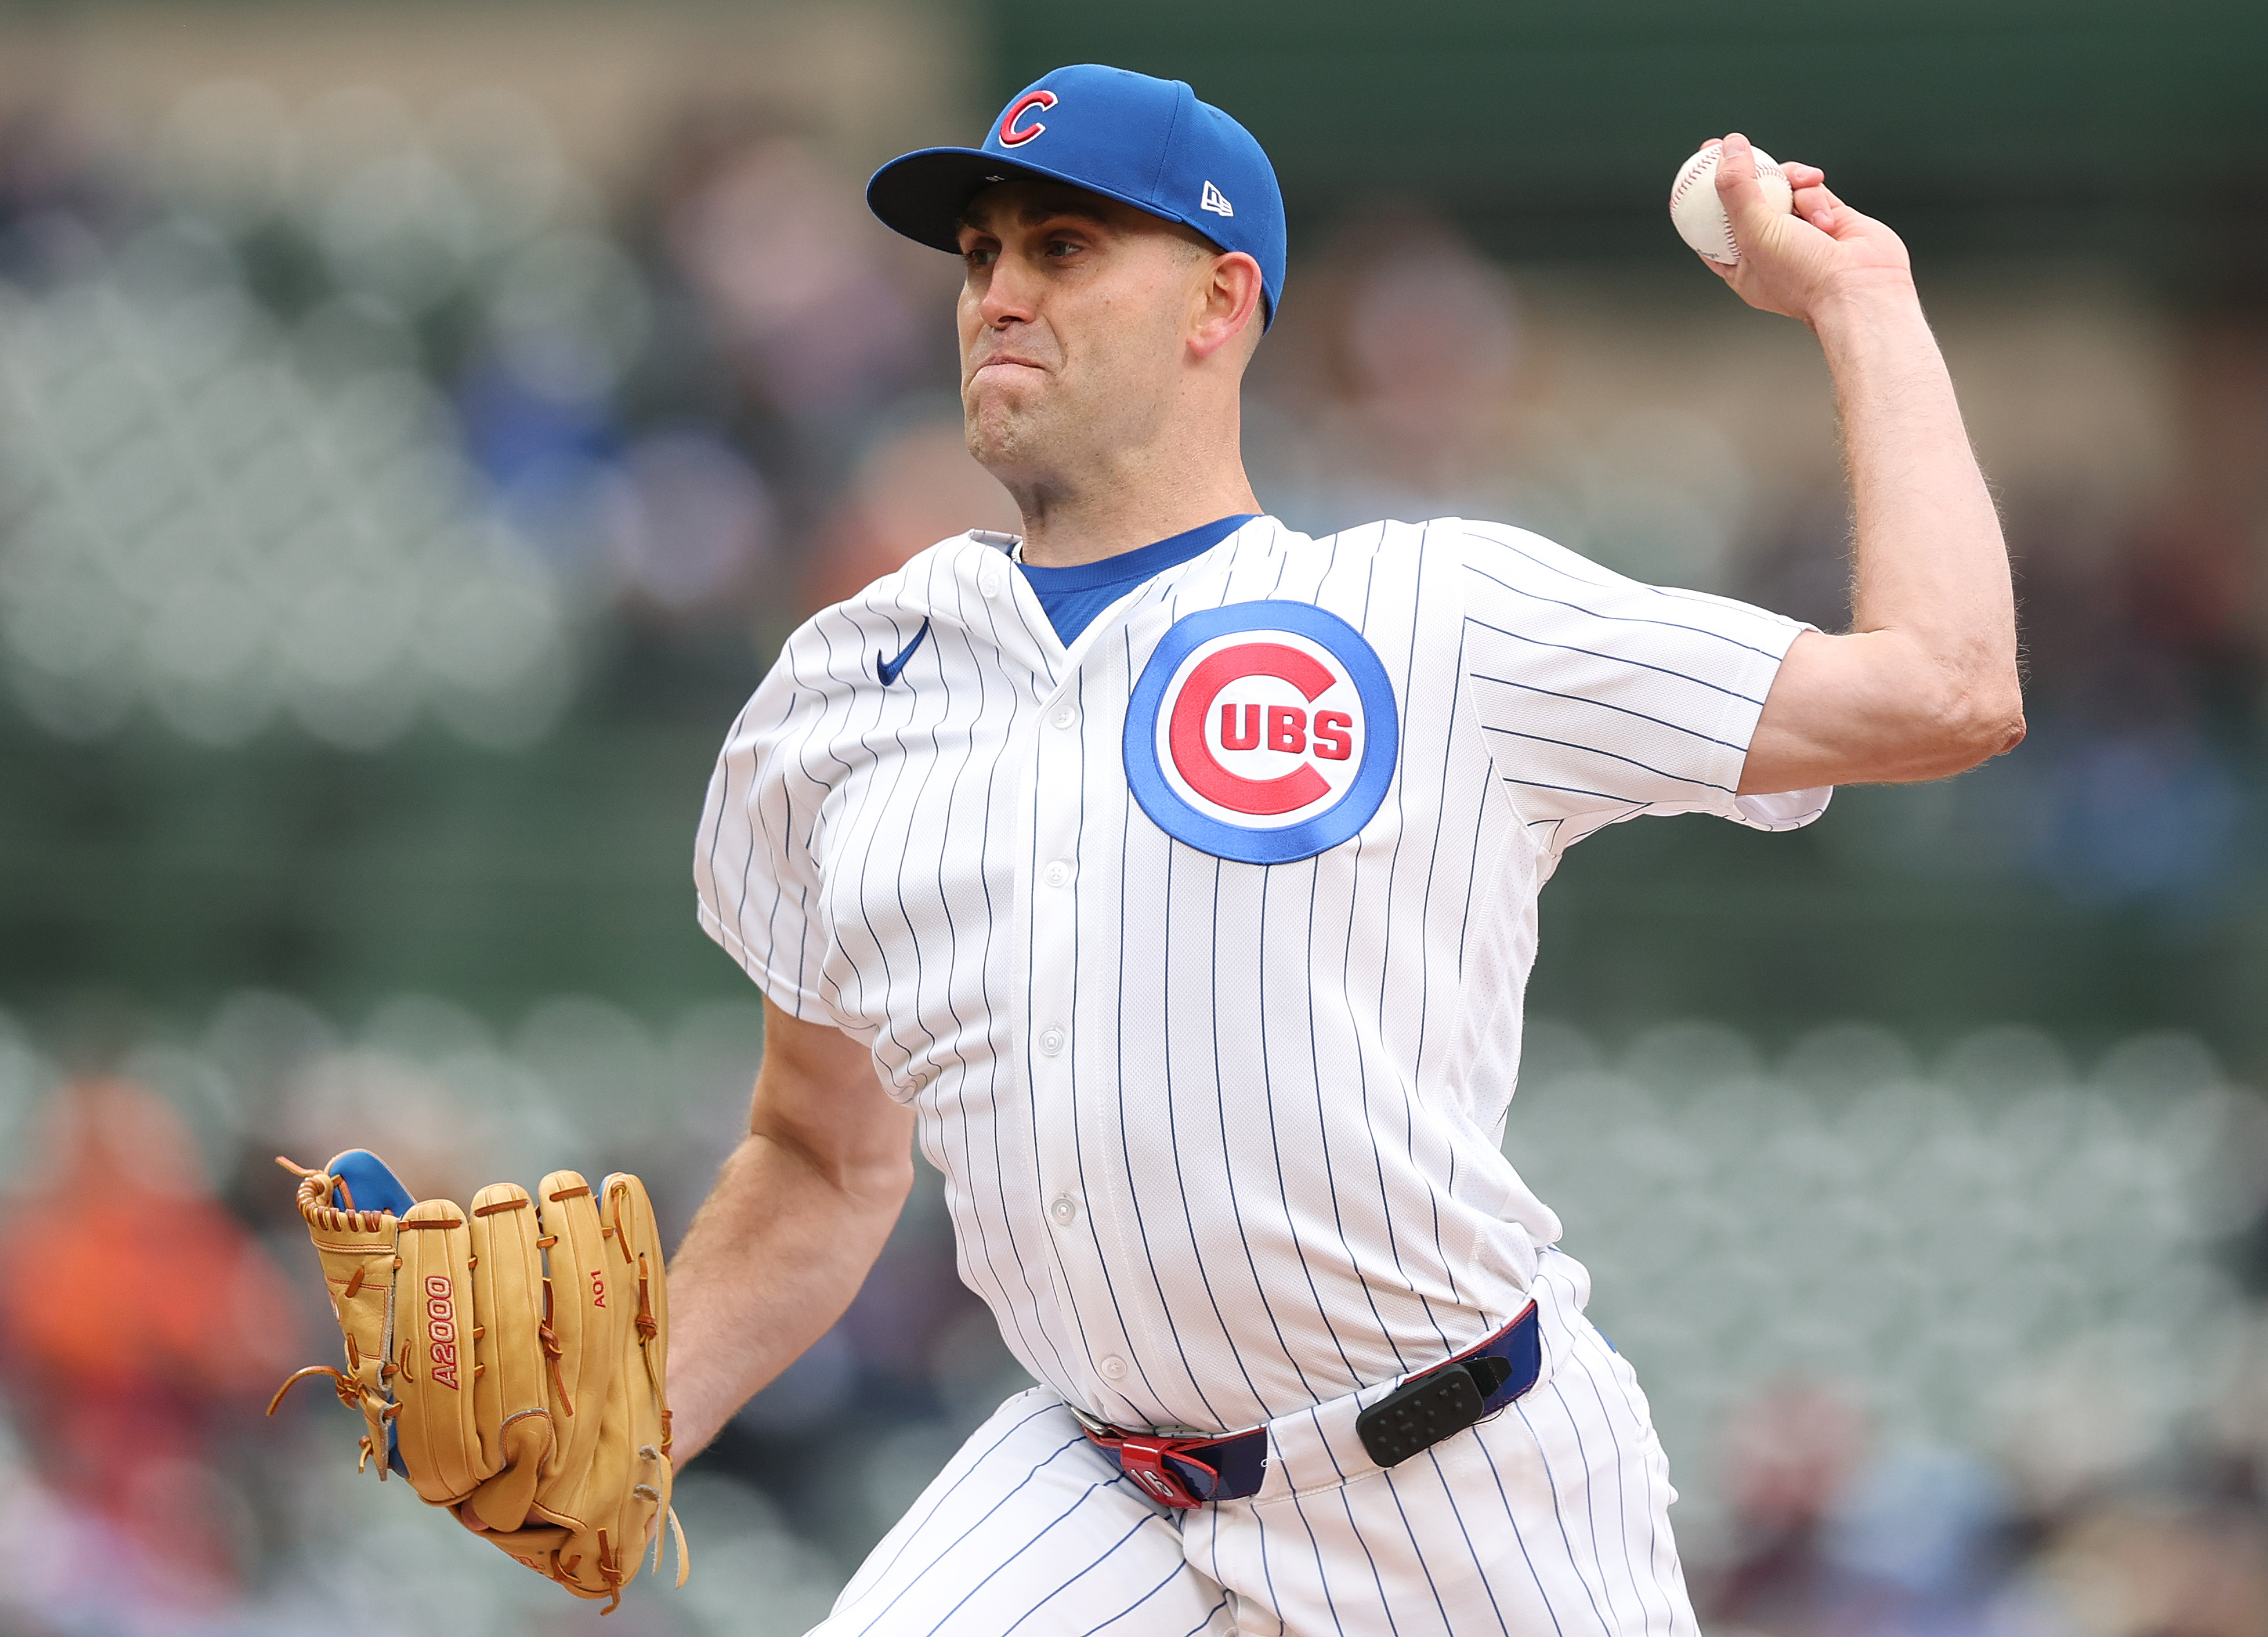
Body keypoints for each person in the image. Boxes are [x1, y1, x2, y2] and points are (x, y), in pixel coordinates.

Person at [676, 63, 2021, 1637]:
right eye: (979, 257)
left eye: (1061, 249)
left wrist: (1863, 302)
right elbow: (822, 1156)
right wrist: (627, 1425)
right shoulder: (846, 684)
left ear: (1218, 301)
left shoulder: (1433, 611)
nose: (998, 297)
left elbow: (1945, 690)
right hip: (1103, 1475)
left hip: (1460, 1478)